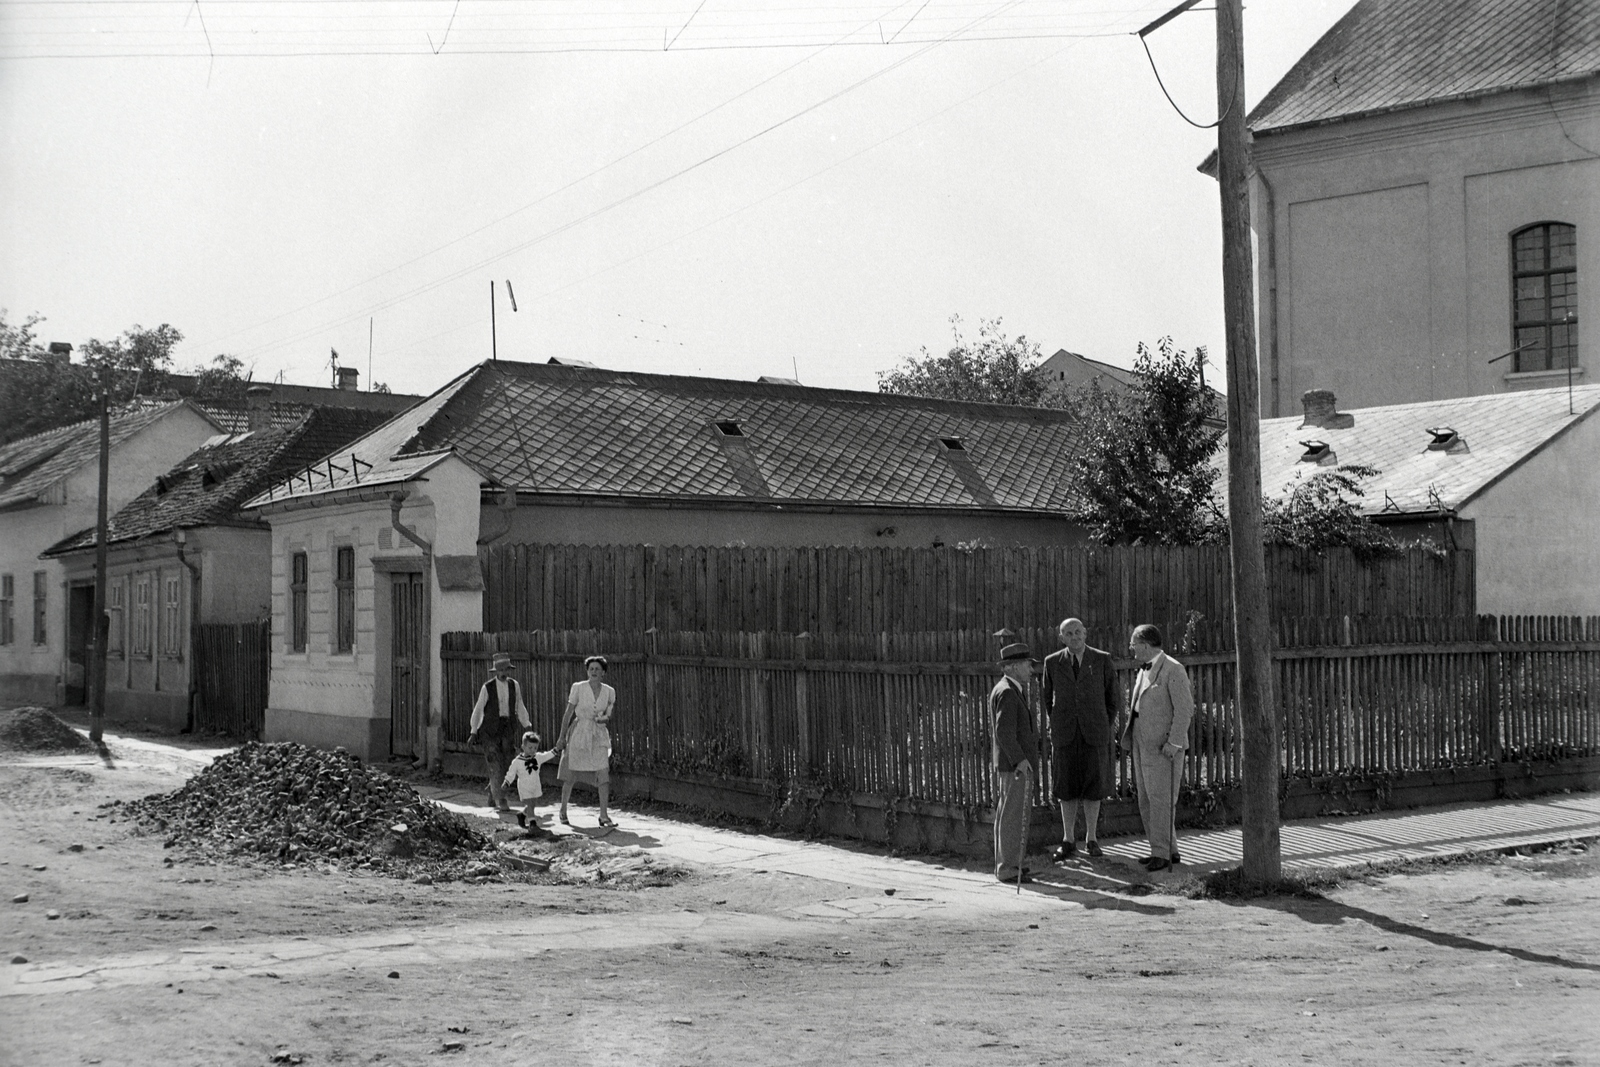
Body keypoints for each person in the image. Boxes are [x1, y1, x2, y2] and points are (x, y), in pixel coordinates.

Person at [1041, 617, 1119, 862]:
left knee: (1093, 788)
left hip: (1094, 733)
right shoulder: (1052, 662)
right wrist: (1060, 722)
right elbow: (1047, 699)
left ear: (1085, 633)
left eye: (1078, 632)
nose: (1074, 637)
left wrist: (1100, 723)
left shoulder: (1102, 659)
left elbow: (1113, 699)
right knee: (1066, 788)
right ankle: (1068, 839)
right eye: (1068, 634)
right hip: (1065, 734)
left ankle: (1092, 839)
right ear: (1061, 637)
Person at [1125, 624, 1194, 871]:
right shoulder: (1144, 670)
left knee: (1161, 800)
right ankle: (1166, 849)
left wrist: (1174, 743)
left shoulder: (1173, 669)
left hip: (1164, 747)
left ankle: (1161, 854)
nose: (1131, 649)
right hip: (1142, 743)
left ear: (1144, 645)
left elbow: (1185, 710)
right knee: (1146, 799)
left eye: (1133, 644)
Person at [990, 642, 1039, 884]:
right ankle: (1008, 867)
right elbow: (1004, 732)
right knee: (1012, 815)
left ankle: (1010, 862)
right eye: (1028, 665)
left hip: (1012, 765)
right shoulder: (1008, 691)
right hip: (1014, 766)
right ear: (1013, 667)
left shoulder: (1010, 688)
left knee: (1009, 814)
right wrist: (1020, 759)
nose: (1031, 669)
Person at [556, 654, 616, 828]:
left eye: (598, 669)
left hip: (598, 735)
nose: (594, 672)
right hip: (579, 733)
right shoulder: (578, 688)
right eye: (591, 669)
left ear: (603, 672)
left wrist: (602, 719)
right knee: (571, 773)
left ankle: (603, 815)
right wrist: (561, 737)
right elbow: (568, 713)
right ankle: (563, 810)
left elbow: (608, 715)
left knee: (603, 773)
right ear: (587, 671)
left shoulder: (609, 691)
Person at [468, 652, 532, 812]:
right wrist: (473, 730)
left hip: (507, 729)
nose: (503, 673)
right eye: (500, 670)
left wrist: (527, 724)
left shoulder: (514, 685)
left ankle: (493, 790)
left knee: (507, 763)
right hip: (489, 731)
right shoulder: (487, 687)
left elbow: (519, 705)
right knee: (494, 763)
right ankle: (501, 799)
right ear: (496, 671)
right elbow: (478, 709)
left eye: (506, 670)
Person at [502, 730, 557, 833]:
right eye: (530, 748)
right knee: (530, 803)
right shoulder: (517, 761)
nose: (533, 750)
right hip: (524, 786)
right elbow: (511, 772)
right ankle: (532, 824)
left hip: (535, 785)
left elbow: (547, 755)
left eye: (535, 748)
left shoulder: (538, 757)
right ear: (523, 746)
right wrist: (507, 782)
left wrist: (556, 750)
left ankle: (522, 815)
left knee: (533, 803)